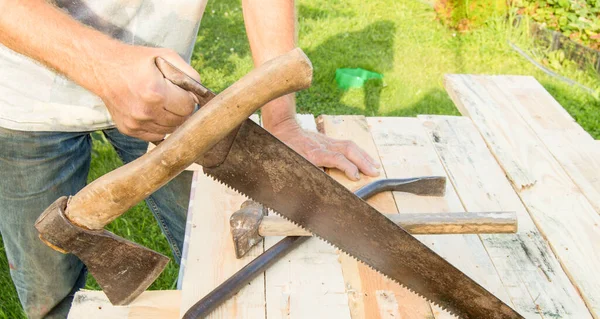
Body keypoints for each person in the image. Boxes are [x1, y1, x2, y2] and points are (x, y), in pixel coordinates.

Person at [0, 1, 381, 318]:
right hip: (26, 97)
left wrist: (281, 122)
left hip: (163, 93)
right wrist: (105, 66)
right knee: (50, 294)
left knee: (222, 265)